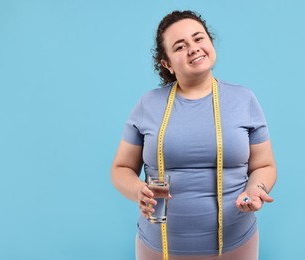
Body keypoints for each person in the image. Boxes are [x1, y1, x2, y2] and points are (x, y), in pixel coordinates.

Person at [111, 10, 277, 260]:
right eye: (180, 46)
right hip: (160, 248)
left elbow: (264, 165)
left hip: (235, 245)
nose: (193, 49)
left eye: (199, 39)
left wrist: (255, 189)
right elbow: (121, 168)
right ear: (166, 63)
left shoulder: (244, 100)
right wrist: (138, 191)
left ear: (210, 42)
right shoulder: (149, 104)